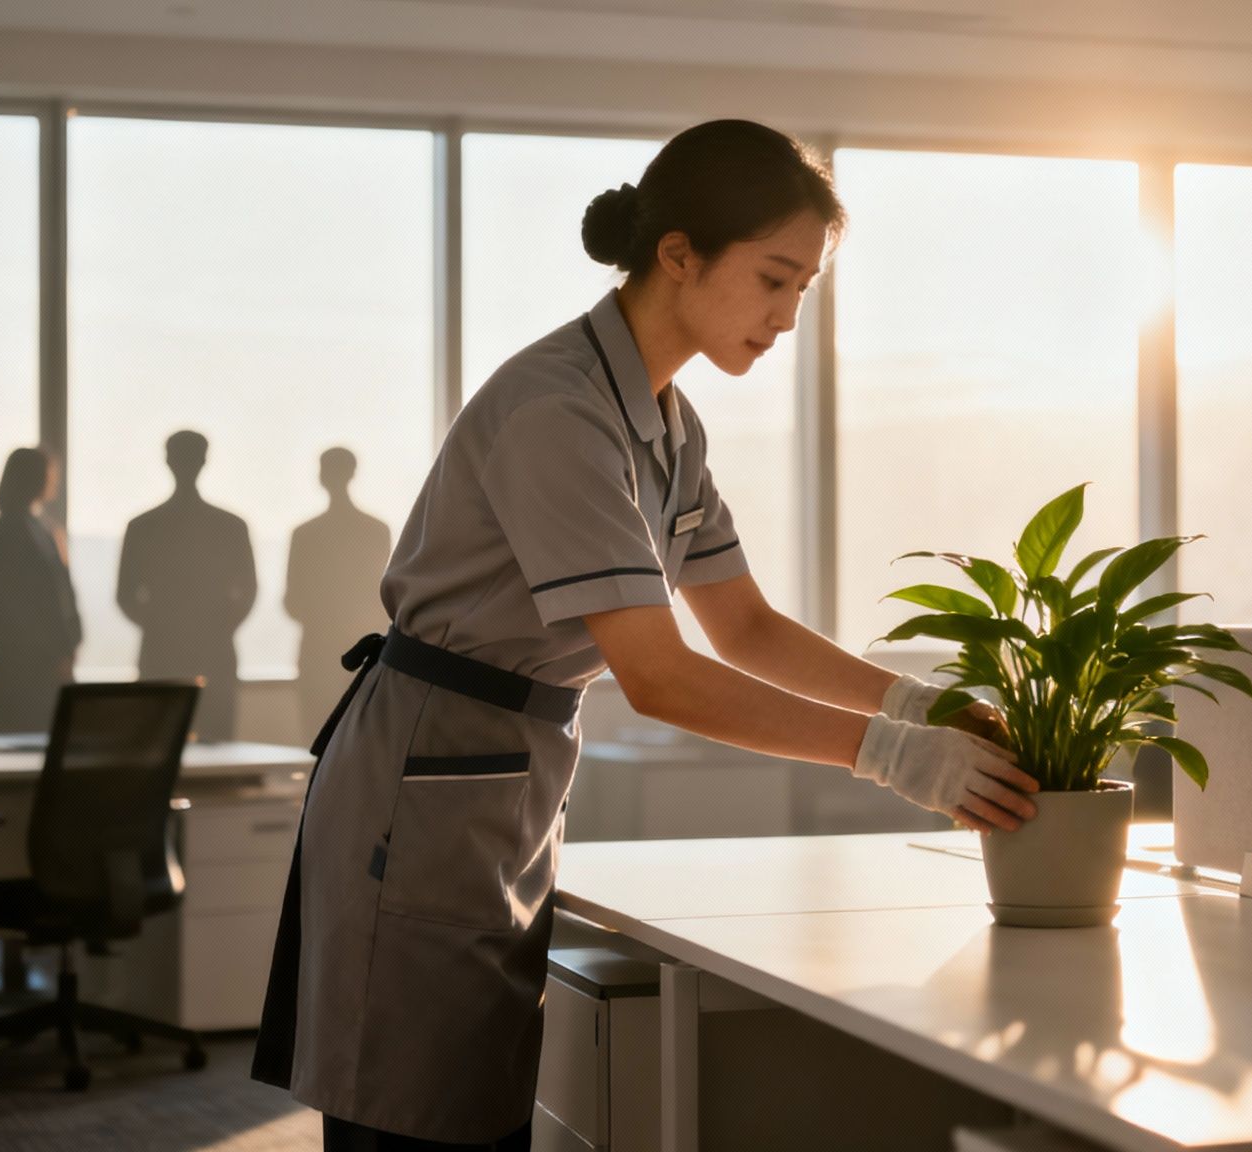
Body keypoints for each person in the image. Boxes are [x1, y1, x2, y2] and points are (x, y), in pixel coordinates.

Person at [252, 120, 1035, 1151]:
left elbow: (743, 625)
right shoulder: (558, 412)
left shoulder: (668, 423)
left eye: (801, 288)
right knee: (410, 1117)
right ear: (678, 254)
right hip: (427, 770)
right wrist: (891, 757)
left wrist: (915, 703)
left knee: (473, 1104)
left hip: (503, 770)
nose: (786, 316)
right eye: (771, 279)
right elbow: (661, 677)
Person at [116, 431, 257, 742]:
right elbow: (249, 592)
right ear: (204, 460)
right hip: (215, 650)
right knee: (218, 749)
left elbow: (125, 596)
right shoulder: (231, 526)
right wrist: (220, 625)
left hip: (161, 650)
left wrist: (159, 625)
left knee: (157, 746)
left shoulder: (143, 526)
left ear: (168, 460)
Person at [284, 448, 393, 744]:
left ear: (322, 476)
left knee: (315, 731)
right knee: (360, 732)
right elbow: (379, 593)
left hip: (318, 645)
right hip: (362, 640)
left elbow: (292, 600)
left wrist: (319, 617)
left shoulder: (305, 534)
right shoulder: (375, 530)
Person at [0, 448, 82, 734]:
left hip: (41, 664)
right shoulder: (7, 536)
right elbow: (1, 609)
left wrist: (67, 647)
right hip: (24, 668)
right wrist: (60, 648)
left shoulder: (44, 532)